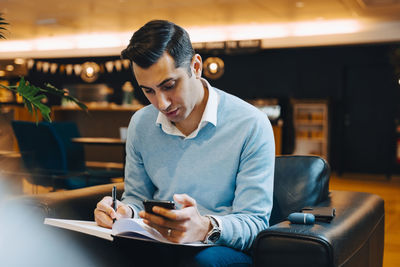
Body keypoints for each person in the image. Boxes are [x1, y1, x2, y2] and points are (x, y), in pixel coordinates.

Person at [94, 20, 275, 266]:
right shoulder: (140, 124)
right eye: (148, 91)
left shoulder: (251, 123)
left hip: (218, 247)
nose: (162, 103)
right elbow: (137, 198)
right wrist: (124, 212)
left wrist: (204, 227)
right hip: (158, 242)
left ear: (196, 66)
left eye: (169, 86)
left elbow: (254, 223)